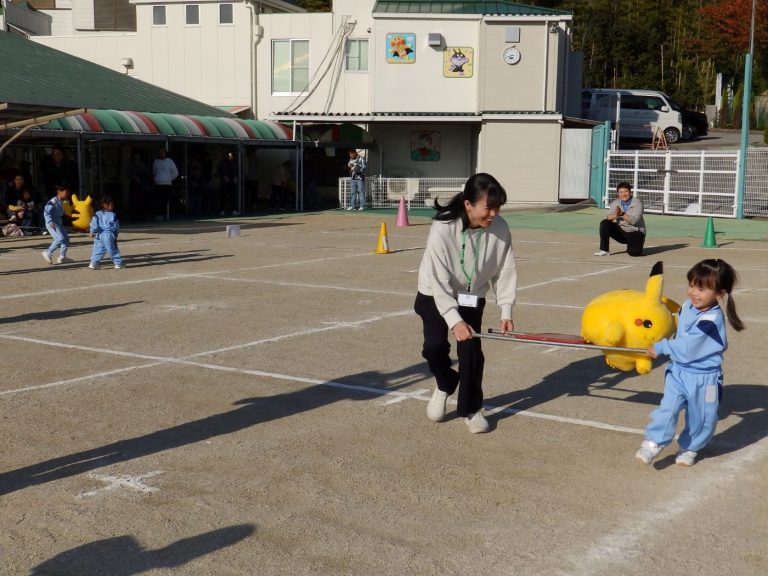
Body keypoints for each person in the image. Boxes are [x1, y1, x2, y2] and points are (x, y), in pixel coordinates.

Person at [414, 173, 517, 434]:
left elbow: (505, 270)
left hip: (471, 294)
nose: (493, 214)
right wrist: (454, 320)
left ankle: (472, 408)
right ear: (468, 204)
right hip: (434, 291)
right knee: (434, 347)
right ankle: (445, 383)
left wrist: (505, 309)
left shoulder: (500, 228)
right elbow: (438, 279)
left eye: (497, 207)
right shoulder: (443, 227)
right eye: (488, 207)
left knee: (470, 351)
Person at [636, 259, 745, 467]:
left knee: (701, 418)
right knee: (667, 408)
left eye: (701, 289)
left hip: (705, 379)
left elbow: (689, 346)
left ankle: (690, 447)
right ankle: (654, 442)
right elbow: (678, 330)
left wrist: (661, 347)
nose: (694, 292)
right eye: (692, 285)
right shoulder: (687, 307)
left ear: (719, 293)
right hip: (678, 372)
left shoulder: (711, 320)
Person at [595, 181, 645, 257]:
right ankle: (604, 250)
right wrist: (615, 215)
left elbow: (634, 222)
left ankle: (635, 247)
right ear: (618, 193)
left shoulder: (638, 203)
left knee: (634, 253)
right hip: (622, 232)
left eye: (626, 191)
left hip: (635, 231)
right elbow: (608, 217)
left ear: (630, 192)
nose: (623, 194)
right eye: (621, 192)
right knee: (605, 223)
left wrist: (622, 214)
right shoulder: (616, 202)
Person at [41, 182, 73, 265]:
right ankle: (48, 252)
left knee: (66, 238)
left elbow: (66, 212)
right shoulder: (52, 202)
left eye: (69, 192)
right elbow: (46, 213)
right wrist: (50, 222)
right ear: (59, 191)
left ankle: (62, 257)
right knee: (60, 238)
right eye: (66, 192)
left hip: (59, 223)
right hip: (52, 224)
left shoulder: (65, 202)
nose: (68, 194)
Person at [89, 195, 124, 270]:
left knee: (98, 249)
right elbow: (116, 226)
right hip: (109, 235)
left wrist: (92, 231)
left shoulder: (97, 214)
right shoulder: (113, 215)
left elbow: (94, 224)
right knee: (112, 249)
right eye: (111, 204)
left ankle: (93, 263)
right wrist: (116, 233)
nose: (113, 206)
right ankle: (118, 263)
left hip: (99, 235)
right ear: (105, 205)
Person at [152, 148, 178, 221]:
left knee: (165, 201)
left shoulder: (170, 161)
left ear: (165, 153)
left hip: (166, 184)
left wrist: (169, 178)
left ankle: (163, 215)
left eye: (162, 152)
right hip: (158, 184)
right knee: (158, 200)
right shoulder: (156, 161)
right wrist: (156, 179)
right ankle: (158, 214)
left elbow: (176, 173)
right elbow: (154, 172)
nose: (161, 153)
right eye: (160, 152)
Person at [126, 151, 152, 220]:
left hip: (142, 184)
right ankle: (133, 214)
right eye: (135, 155)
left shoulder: (143, 164)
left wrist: (142, 177)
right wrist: (135, 177)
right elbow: (128, 173)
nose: (137, 156)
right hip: (134, 184)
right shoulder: (130, 164)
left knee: (142, 198)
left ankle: (142, 213)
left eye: (138, 155)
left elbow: (147, 172)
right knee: (133, 198)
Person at [218, 150, 239, 216]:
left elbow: (238, 171)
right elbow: (220, 171)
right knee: (224, 196)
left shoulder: (235, 163)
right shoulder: (223, 163)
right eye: (229, 156)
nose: (230, 157)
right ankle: (222, 210)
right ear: (226, 156)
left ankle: (234, 210)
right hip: (224, 182)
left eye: (231, 156)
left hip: (233, 182)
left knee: (233, 196)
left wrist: (236, 177)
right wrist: (224, 176)